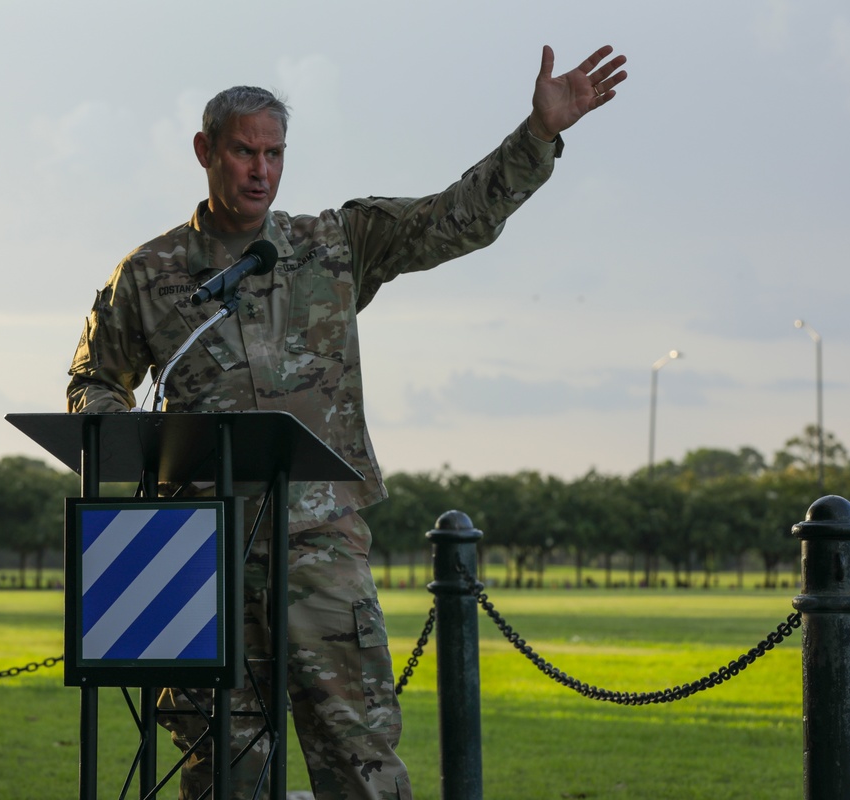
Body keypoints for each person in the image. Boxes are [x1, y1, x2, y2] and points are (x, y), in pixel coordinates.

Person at [66, 43, 627, 800]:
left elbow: (453, 218)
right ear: (205, 151)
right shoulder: (148, 274)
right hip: (195, 552)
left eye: (274, 153)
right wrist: (127, 441)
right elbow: (94, 379)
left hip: (315, 547)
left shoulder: (328, 246)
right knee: (218, 765)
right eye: (243, 151)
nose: (260, 170)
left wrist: (537, 134)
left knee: (357, 755)